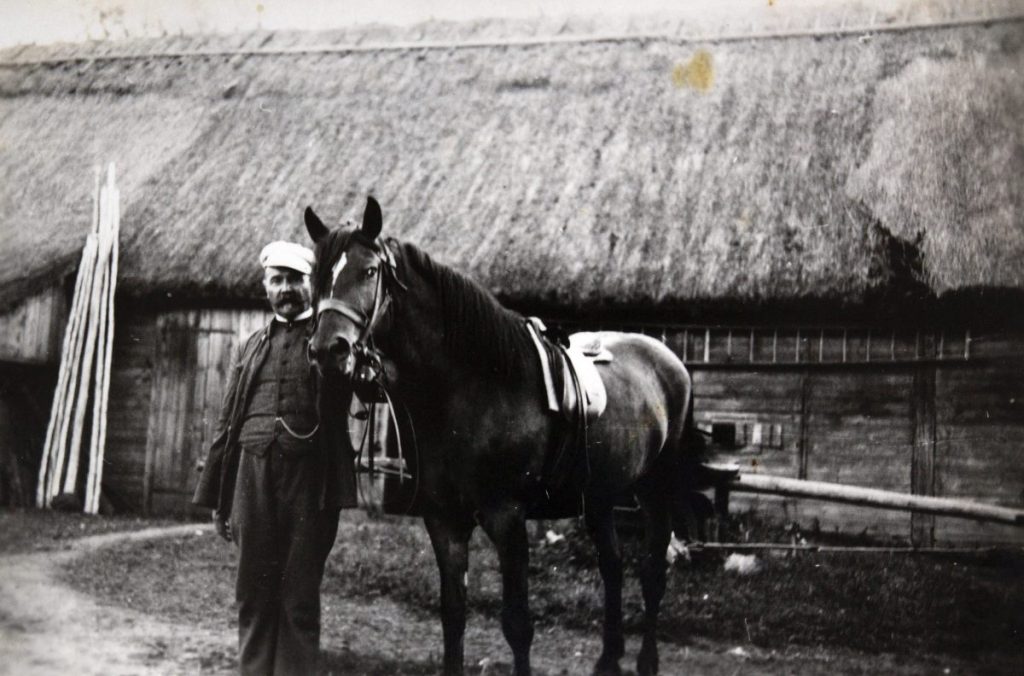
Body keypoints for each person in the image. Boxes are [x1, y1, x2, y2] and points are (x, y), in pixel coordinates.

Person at [193, 240, 357, 675]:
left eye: (295, 280)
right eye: (277, 280)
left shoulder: (328, 344)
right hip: (252, 480)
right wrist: (218, 497)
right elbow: (227, 424)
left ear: (311, 286)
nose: (286, 289)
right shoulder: (250, 348)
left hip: (308, 485)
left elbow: (345, 402)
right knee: (253, 594)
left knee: (299, 598)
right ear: (266, 286)